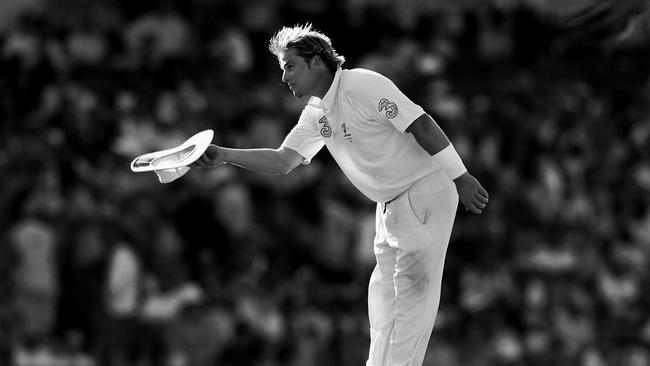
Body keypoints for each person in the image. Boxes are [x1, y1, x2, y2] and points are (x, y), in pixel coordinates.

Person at [192, 23, 489, 366]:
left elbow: (420, 123)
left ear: (317, 62)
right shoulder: (317, 113)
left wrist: (461, 175)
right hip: (389, 205)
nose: (284, 77)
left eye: (290, 66)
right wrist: (226, 155)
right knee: (382, 301)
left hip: (426, 188)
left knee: (412, 292)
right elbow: (283, 160)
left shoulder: (362, 84)